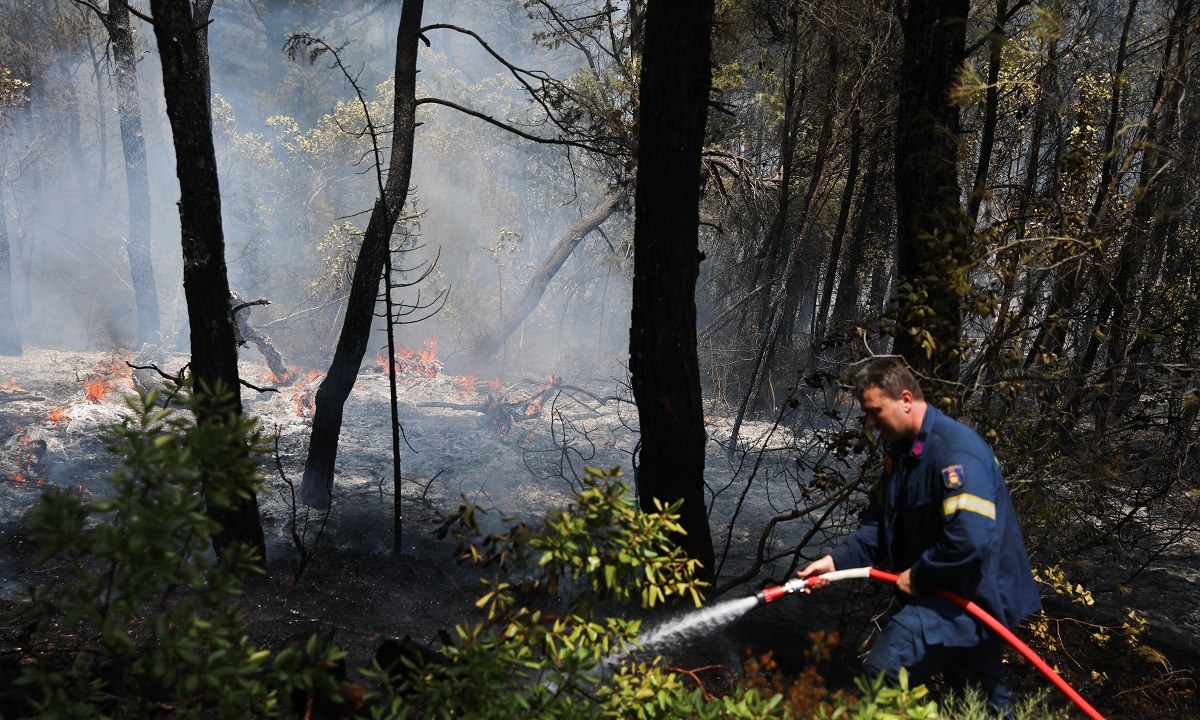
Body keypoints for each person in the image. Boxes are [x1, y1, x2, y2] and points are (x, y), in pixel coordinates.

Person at [799, 356, 1040, 713]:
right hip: (952, 595)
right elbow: (878, 527)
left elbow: (969, 538)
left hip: (968, 597)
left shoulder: (955, 452)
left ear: (906, 399)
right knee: (976, 706)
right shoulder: (904, 456)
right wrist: (836, 562)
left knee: (884, 670)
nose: (870, 423)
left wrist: (920, 575)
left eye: (875, 411)